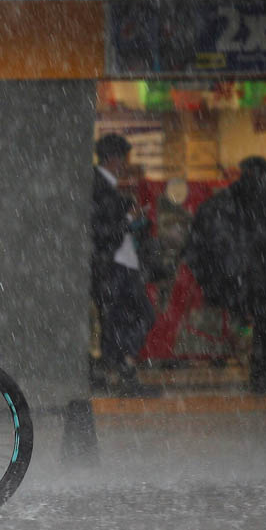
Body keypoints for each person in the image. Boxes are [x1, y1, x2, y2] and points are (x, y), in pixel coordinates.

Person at [184, 156, 266, 393]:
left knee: (262, 328)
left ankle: (265, 374)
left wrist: (219, 281)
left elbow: (199, 246)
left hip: (250, 281)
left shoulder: (223, 204)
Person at [89, 133, 155, 395]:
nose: (126, 163)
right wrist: (128, 219)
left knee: (119, 318)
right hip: (115, 265)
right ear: (114, 159)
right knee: (137, 315)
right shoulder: (101, 189)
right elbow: (101, 231)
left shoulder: (105, 187)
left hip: (120, 264)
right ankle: (121, 366)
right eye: (124, 158)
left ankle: (118, 367)